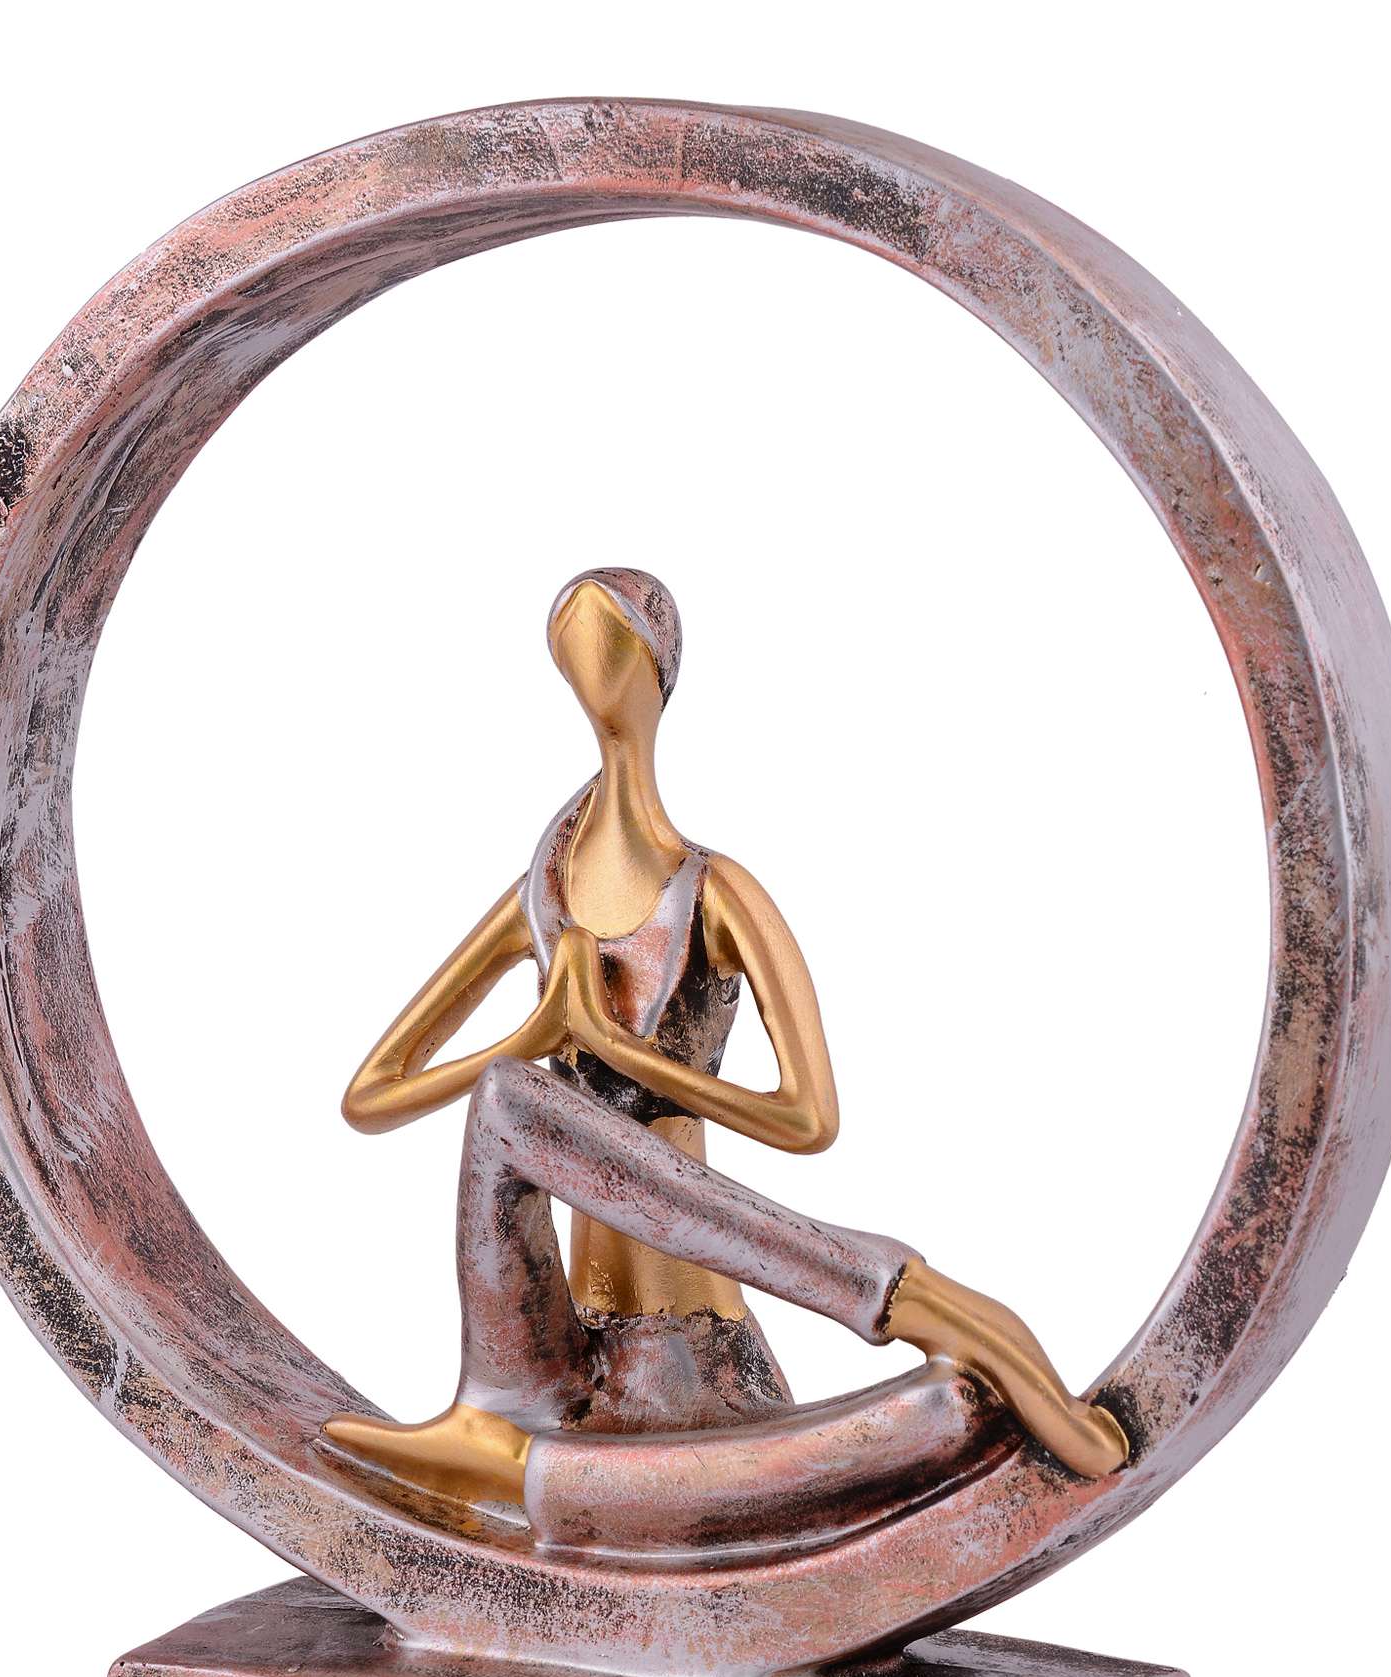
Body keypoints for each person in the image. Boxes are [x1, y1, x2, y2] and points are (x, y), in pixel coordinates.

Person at [322, 570, 1125, 1508]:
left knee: (948, 1414)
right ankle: (903, 1298)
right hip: (565, 1365)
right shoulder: (544, 896)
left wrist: (620, 1056)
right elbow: (370, 1096)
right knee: (507, 1096)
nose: (592, 674)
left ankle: (909, 1300)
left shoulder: (713, 894)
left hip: (691, 1351)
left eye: (611, 650)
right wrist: (539, 1031)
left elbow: (808, 1118)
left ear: (656, 672)